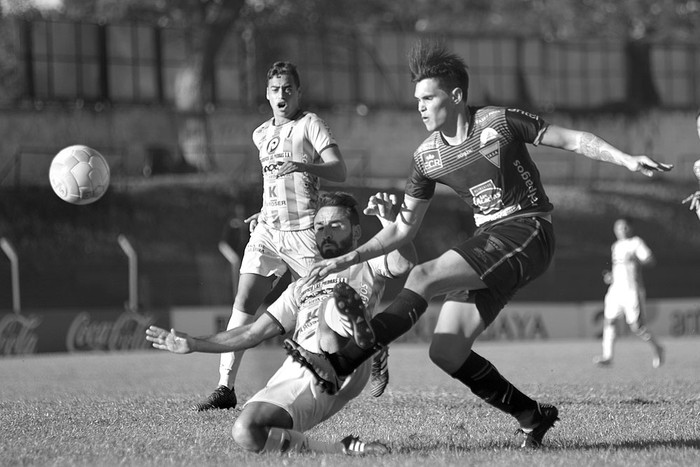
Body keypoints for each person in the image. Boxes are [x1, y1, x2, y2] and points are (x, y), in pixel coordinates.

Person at [284, 39, 673, 449]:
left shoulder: (499, 123)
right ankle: (531, 415)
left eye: (427, 97)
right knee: (446, 350)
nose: (419, 106)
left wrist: (627, 159)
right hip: (491, 242)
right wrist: (349, 256)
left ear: (455, 96)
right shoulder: (426, 159)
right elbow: (402, 230)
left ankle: (346, 358)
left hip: (529, 230)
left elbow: (573, 139)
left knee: (425, 274)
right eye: (416, 98)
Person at [147, 191, 416, 455]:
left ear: (356, 232)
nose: (327, 233)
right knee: (247, 430)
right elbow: (252, 333)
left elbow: (403, 263)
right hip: (303, 366)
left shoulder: (367, 261)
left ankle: (358, 331)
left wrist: (391, 223)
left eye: (336, 226)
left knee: (331, 305)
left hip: (348, 357)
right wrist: (194, 343)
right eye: (320, 227)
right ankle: (342, 449)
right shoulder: (300, 286)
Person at [193, 61, 352, 411]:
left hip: (303, 232)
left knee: (315, 310)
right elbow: (273, 183)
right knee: (244, 302)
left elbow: (339, 169)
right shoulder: (261, 134)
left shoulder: (311, 125)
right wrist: (262, 212)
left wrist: (304, 165)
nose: (282, 95)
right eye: (276, 89)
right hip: (268, 230)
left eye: (289, 89)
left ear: (299, 92)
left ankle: (320, 378)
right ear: (267, 94)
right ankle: (225, 387)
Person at [593, 218, 664, 368]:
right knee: (609, 321)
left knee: (637, 327)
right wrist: (611, 276)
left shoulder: (636, 243)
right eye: (619, 227)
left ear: (630, 228)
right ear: (615, 229)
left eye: (625, 227)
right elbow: (619, 268)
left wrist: (638, 259)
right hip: (615, 290)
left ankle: (657, 347)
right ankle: (608, 356)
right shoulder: (616, 246)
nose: (622, 230)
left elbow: (650, 260)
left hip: (632, 290)